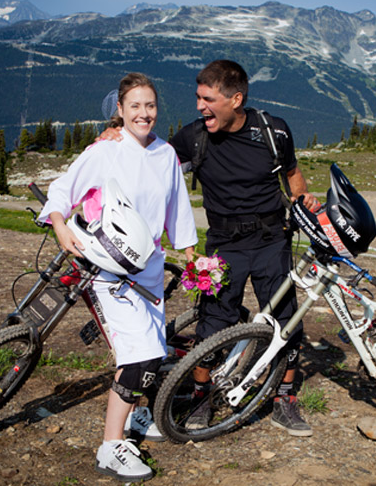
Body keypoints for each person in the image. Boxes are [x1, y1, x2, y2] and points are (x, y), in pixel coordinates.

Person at [101, 60, 318, 437]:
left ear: (236, 99)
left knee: (286, 322)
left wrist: (303, 201)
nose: (200, 106)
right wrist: (115, 135)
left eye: (208, 99)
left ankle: (284, 400)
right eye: (198, 97)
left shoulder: (273, 131)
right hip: (223, 245)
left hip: (272, 241)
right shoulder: (194, 137)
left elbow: (291, 172)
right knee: (214, 324)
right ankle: (201, 396)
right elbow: (153, 159)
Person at [39, 73, 197, 482]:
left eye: (150, 106)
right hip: (110, 268)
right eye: (135, 107)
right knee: (140, 358)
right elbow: (62, 189)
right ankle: (112, 446)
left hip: (150, 268)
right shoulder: (105, 150)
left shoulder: (165, 155)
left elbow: (177, 211)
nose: (144, 114)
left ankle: (138, 416)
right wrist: (59, 224)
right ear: (120, 111)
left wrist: (193, 256)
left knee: (150, 348)